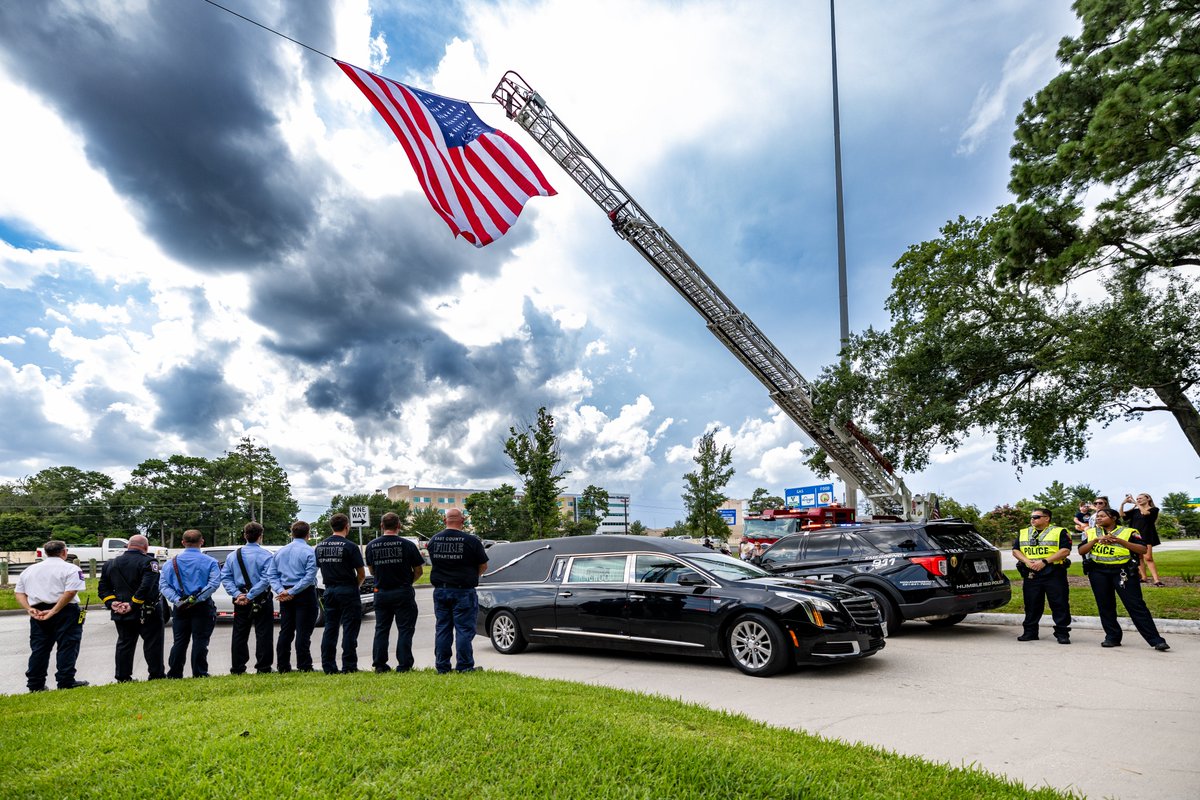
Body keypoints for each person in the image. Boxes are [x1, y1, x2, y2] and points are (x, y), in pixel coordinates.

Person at [1079, 508, 1169, 651]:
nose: (1098, 519)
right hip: (1098, 572)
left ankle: (1156, 640)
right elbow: (1081, 550)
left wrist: (1120, 541)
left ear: (1114, 517)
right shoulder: (1091, 532)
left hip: (1122, 571)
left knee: (1136, 606)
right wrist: (1095, 541)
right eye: (1097, 517)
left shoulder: (1129, 532)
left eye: (1102, 516)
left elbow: (1142, 549)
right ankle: (1112, 637)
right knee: (1105, 606)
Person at [14, 540, 89, 692]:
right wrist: (54, 610)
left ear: (46, 552)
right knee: (68, 645)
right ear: (64, 552)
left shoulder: (30, 570)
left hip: (38, 611)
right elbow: (70, 592)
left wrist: (29, 608)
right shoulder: (72, 568)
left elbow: (19, 592)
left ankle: (35, 684)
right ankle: (66, 680)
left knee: (39, 648)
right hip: (65, 610)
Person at [427, 508, 489, 673]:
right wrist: (469, 575)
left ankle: (442, 666)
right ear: (463, 520)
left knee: (443, 628)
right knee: (464, 630)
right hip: (463, 591)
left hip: (441, 590)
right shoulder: (471, 541)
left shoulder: (434, 540)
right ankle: (464, 666)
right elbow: (483, 565)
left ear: (444, 520)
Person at [98, 534, 165, 682]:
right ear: (146, 548)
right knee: (153, 643)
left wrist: (112, 603)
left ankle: (123, 676)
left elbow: (103, 588)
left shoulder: (110, 563)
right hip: (147, 611)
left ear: (127, 546)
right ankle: (156, 675)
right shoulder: (149, 562)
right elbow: (146, 586)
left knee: (125, 643)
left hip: (121, 611)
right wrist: (133, 604)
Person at [365, 511, 425, 673]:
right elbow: (419, 570)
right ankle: (404, 664)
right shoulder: (408, 545)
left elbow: (372, 571)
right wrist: (407, 581)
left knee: (381, 628)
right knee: (405, 629)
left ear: (382, 526)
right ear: (399, 526)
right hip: (403, 591)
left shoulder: (371, 545)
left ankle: (379, 664)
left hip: (381, 592)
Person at [159, 529, 221, 678]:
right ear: (202, 542)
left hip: (180, 606)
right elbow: (213, 584)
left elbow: (163, 585)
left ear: (183, 542)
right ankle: (199, 672)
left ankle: (175, 672)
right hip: (202, 605)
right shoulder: (210, 562)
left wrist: (177, 600)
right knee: (200, 640)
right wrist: (197, 598)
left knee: (179, 640)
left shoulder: (171, 563)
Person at [1011, 508, 1073, 644]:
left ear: (1047, 518)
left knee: (1059, 603)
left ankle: (1062, 633)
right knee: (1032, 603)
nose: (1033, 519)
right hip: (1032, 572)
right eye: (1032, 517)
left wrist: (1044, 561)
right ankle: (1030, 632)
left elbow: (1065, 551)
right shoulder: (1024, 532)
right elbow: (1015, 550)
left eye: (1037, 517)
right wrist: (1027, 562)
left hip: (1054, 572)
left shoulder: (1060, 531)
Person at [221, 522, 276, 674]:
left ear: (245, 535)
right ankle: (264, 667)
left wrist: (238, 594)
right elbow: (267, 579)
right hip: (262, 599)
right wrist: (251, 595)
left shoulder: (233, 556)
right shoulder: (267, 556)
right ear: (260, 536)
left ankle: (238, 667)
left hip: (240, 599)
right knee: (264, 633)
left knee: (239, 634)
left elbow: (225, 577)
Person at [315, 513, 365, 674]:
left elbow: (318, 567)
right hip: (348, 589)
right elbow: (361, 573)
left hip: (329, 590)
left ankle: (328, 666)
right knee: (350, 628)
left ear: (331, 527)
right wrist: (355, 586)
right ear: (347, 527)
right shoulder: (350, 546)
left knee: (330, 627)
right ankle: (349, 665)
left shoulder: (320, 546)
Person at [270, 520, 319, 672]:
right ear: (308, 534)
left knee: (286, 630)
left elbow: (272, 574)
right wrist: (291, 592)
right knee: (303, 632)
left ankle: (283, 665)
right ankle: (304, 665)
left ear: (292, 534)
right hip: (304, 594)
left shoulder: (280, 552)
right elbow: (309, 576)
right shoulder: (310, 552)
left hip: (285, 594)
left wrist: (281, 590)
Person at [1121, 493, 1163, 586]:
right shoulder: (1135, 511)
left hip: (1147, 535)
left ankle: (1156, 580)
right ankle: (1144, 577)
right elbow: (1122, 515)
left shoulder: (1154, 509)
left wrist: (1135, 503)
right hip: (1135, 536)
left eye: (1140, 498)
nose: (1138, 500)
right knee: (1139, 557)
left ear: (1148, 498)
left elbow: (1145, 513)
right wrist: (1123, 504)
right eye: (1137, 499)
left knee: (1148, 558)